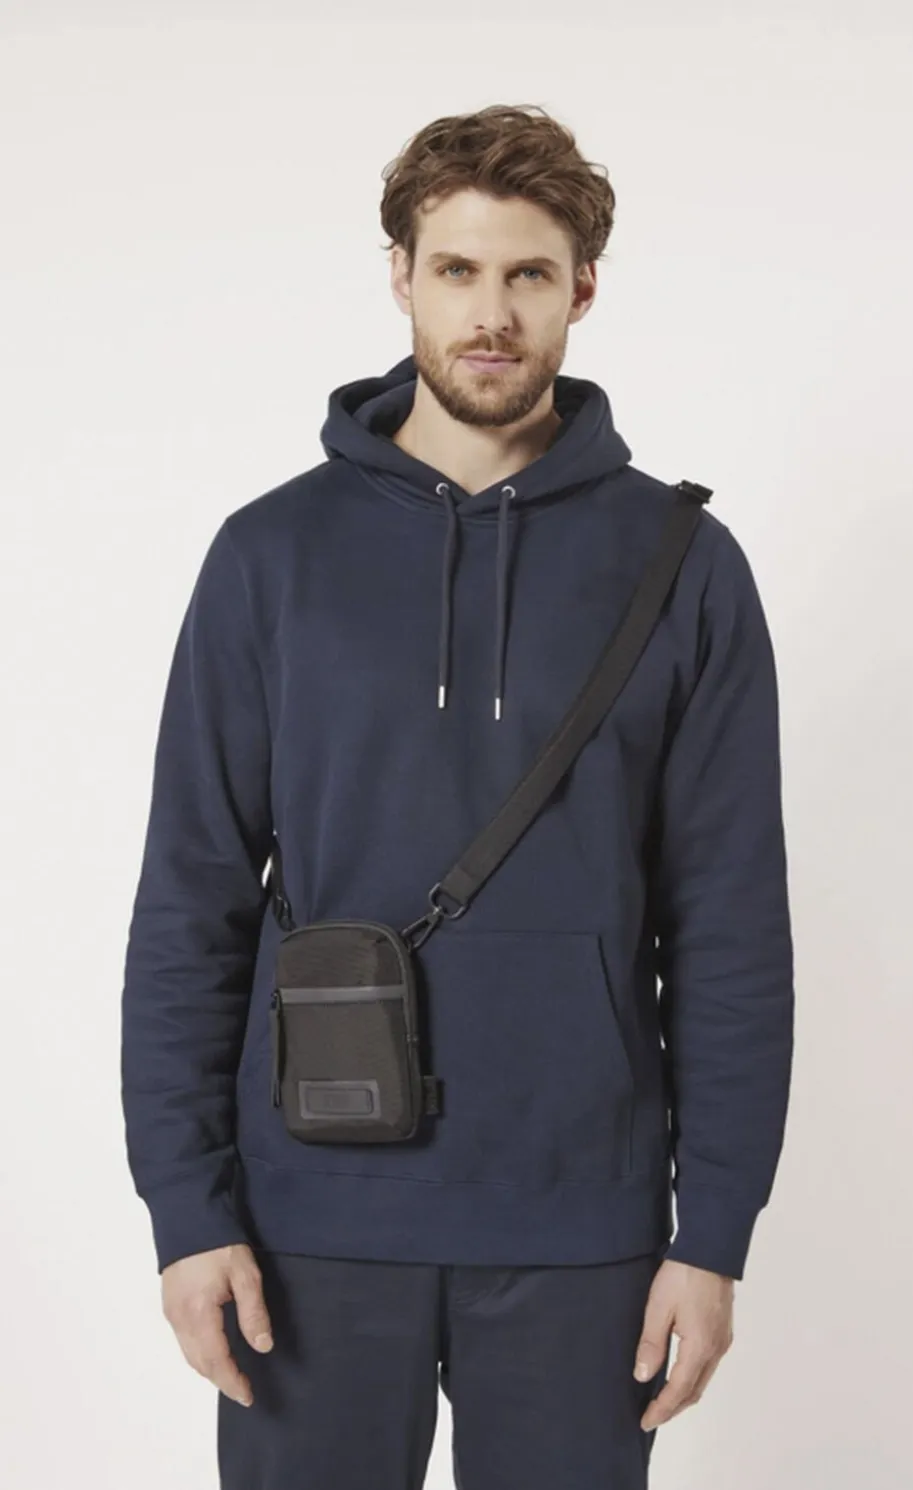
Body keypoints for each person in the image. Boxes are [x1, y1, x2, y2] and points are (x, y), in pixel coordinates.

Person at [120, 102, 795, 1489]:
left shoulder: (682, 565)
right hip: (306, 1221)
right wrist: (187, 1212)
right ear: (401, 276)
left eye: (528, 273)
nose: (491, 314)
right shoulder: (269, 557)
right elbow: (190, 903)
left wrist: (712, 1234)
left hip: (584, 1228)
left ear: (582, 289)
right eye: (458, 270)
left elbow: (729, 927)